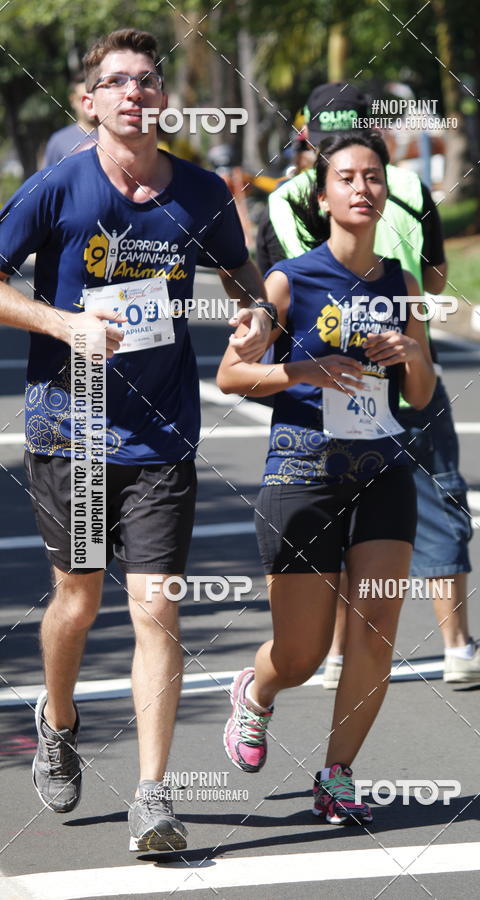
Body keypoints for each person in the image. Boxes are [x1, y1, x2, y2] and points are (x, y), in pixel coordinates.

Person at [0, 28, 274, 852]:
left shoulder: (200, 192)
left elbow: (241, 271)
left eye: (148, 81)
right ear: (89, 103)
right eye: (117, 83)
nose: (135, 94)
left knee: (156, 606)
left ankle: (153, 797)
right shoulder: (57, 188)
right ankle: (59, 719)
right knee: (77, 603)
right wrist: (62, 322)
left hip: (160, 437)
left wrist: (256, 310)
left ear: (165, 98)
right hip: (71, 432)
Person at [257, 82, 480, 690]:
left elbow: (275, 287)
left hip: (328, 389)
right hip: (400, 367)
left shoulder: (292, 198)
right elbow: (435, 273)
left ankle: (337, 656)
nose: (358, 187)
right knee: (438, 501)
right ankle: (456, 646)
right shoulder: (401, 185)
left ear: (308, 138)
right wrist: (404, 327)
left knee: (350, 515)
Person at [218, 131, 436, 824]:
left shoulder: (401, 281)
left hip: (382, 469)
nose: (363, 188)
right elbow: (230, 375)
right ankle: (256, 691)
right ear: (324, 193)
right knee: (304, 653)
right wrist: (304, 369)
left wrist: (409, 351)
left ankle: (338, 776)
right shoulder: (290, 279)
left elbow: (423, 395)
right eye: (347, 177)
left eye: (374, 176)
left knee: (375, 629)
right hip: (302, 472)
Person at [43, 73, 99, 167]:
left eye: (93, 98)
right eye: (83, 99)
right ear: (72, 101)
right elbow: (50, 179)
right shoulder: (58, 142)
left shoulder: (116, 136)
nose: (89, 104)